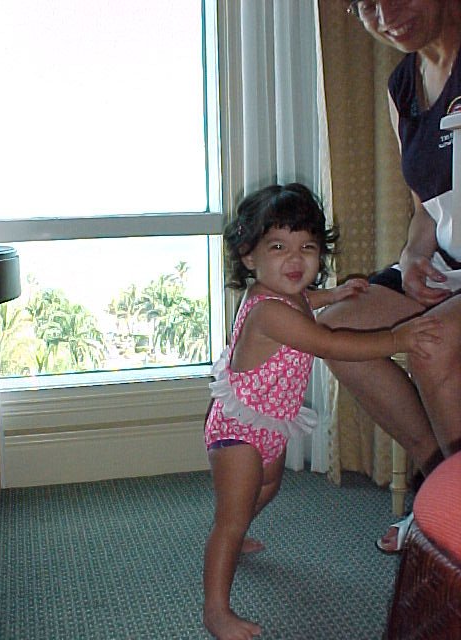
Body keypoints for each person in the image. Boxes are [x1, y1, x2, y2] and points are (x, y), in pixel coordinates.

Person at [202, 183, 442, 640]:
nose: (295, 259)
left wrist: (335, 295)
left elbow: (306, 302)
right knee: (230, 518)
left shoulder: (283, 295)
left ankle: (235, 534)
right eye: (278, 247)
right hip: (238, 431)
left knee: (266, 488)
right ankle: (216, 608)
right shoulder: (268, 313)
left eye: (307, 247)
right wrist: (397, 339)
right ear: (249, 257)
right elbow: (330, 343)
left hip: (269, 424)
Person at [318, 0, 461, 554]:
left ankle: (452, 513)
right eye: (365, 5)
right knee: (334, 331)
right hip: (447, 263)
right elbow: (426, 208)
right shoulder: (402, 86)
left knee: (430, 342)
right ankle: (439, 485)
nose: (386, 12)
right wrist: (415, 255)